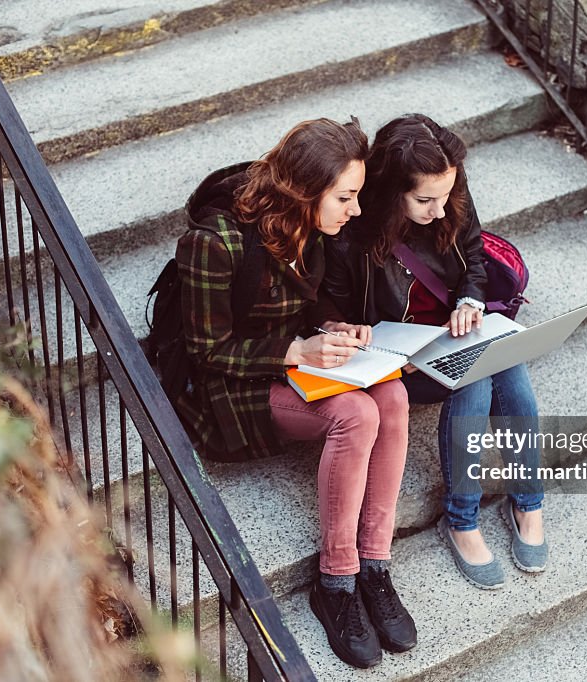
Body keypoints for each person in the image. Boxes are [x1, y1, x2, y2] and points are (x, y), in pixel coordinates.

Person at [173, 118, 416, 668]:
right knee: (356, 412)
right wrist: (294, 352)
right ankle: (335, 582)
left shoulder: (312, 229)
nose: (355, 210)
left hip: (293, 366)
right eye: (346, 197)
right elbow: (207, 351)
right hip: (232, 389)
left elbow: (305, 308)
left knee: (393, 396)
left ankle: (374, 565)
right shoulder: (214, 243)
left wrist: (333, 328)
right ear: (306, 192)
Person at [324, 113, 547, 591]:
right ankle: (462, 519)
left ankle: (528, 502)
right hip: (398, 355)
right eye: (425, 201)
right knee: (477, 375)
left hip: (454, 331)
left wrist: (470, 300)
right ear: (390, 192)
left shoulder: (449, 191)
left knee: (508, 365)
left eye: (446, 197)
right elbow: (337, 311)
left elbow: (474, 259)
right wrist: (373, 339)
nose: (441, 211)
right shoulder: (354, 238)